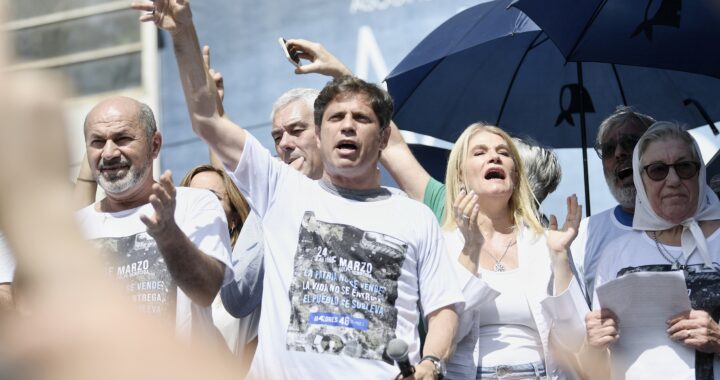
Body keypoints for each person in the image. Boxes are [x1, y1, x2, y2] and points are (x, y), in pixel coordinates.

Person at [134, 2, 465, 380]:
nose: (347, 127)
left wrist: (432, 362)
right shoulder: (281, 189)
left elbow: (445, 309)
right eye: (336, 119)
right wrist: (182, 34)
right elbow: (208, 119)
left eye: (361, 119)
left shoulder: (415, 215)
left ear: (384, 137)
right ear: (320, 135)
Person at [433, 123, 587, 379]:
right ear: (460, 175)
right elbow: (448, 334)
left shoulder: (545, 243)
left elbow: (574, 340)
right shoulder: (441, 242)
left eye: (504, 153)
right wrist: (471, 247)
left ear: (515, 176)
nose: (494, 157)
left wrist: (560, 258)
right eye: (480, 152)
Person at [76, 95, 233, 340]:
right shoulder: (74, 228)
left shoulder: (195, 204)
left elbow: (206, 291)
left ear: (155, 145)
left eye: (122, 138)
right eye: (97, 142)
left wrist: (169, 235)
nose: (108, 153)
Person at [584, 122, 720, 380]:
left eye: (684, 167)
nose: (673, 180)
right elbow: (596, 368)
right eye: (657, 170)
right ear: (641, 180)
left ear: (699, 173)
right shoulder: (617, 254)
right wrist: (593, 346)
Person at [570, 106, 655, 299]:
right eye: (608, 149)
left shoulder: (694, 223)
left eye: (630, 142)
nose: (619, 153)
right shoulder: (583, 236)